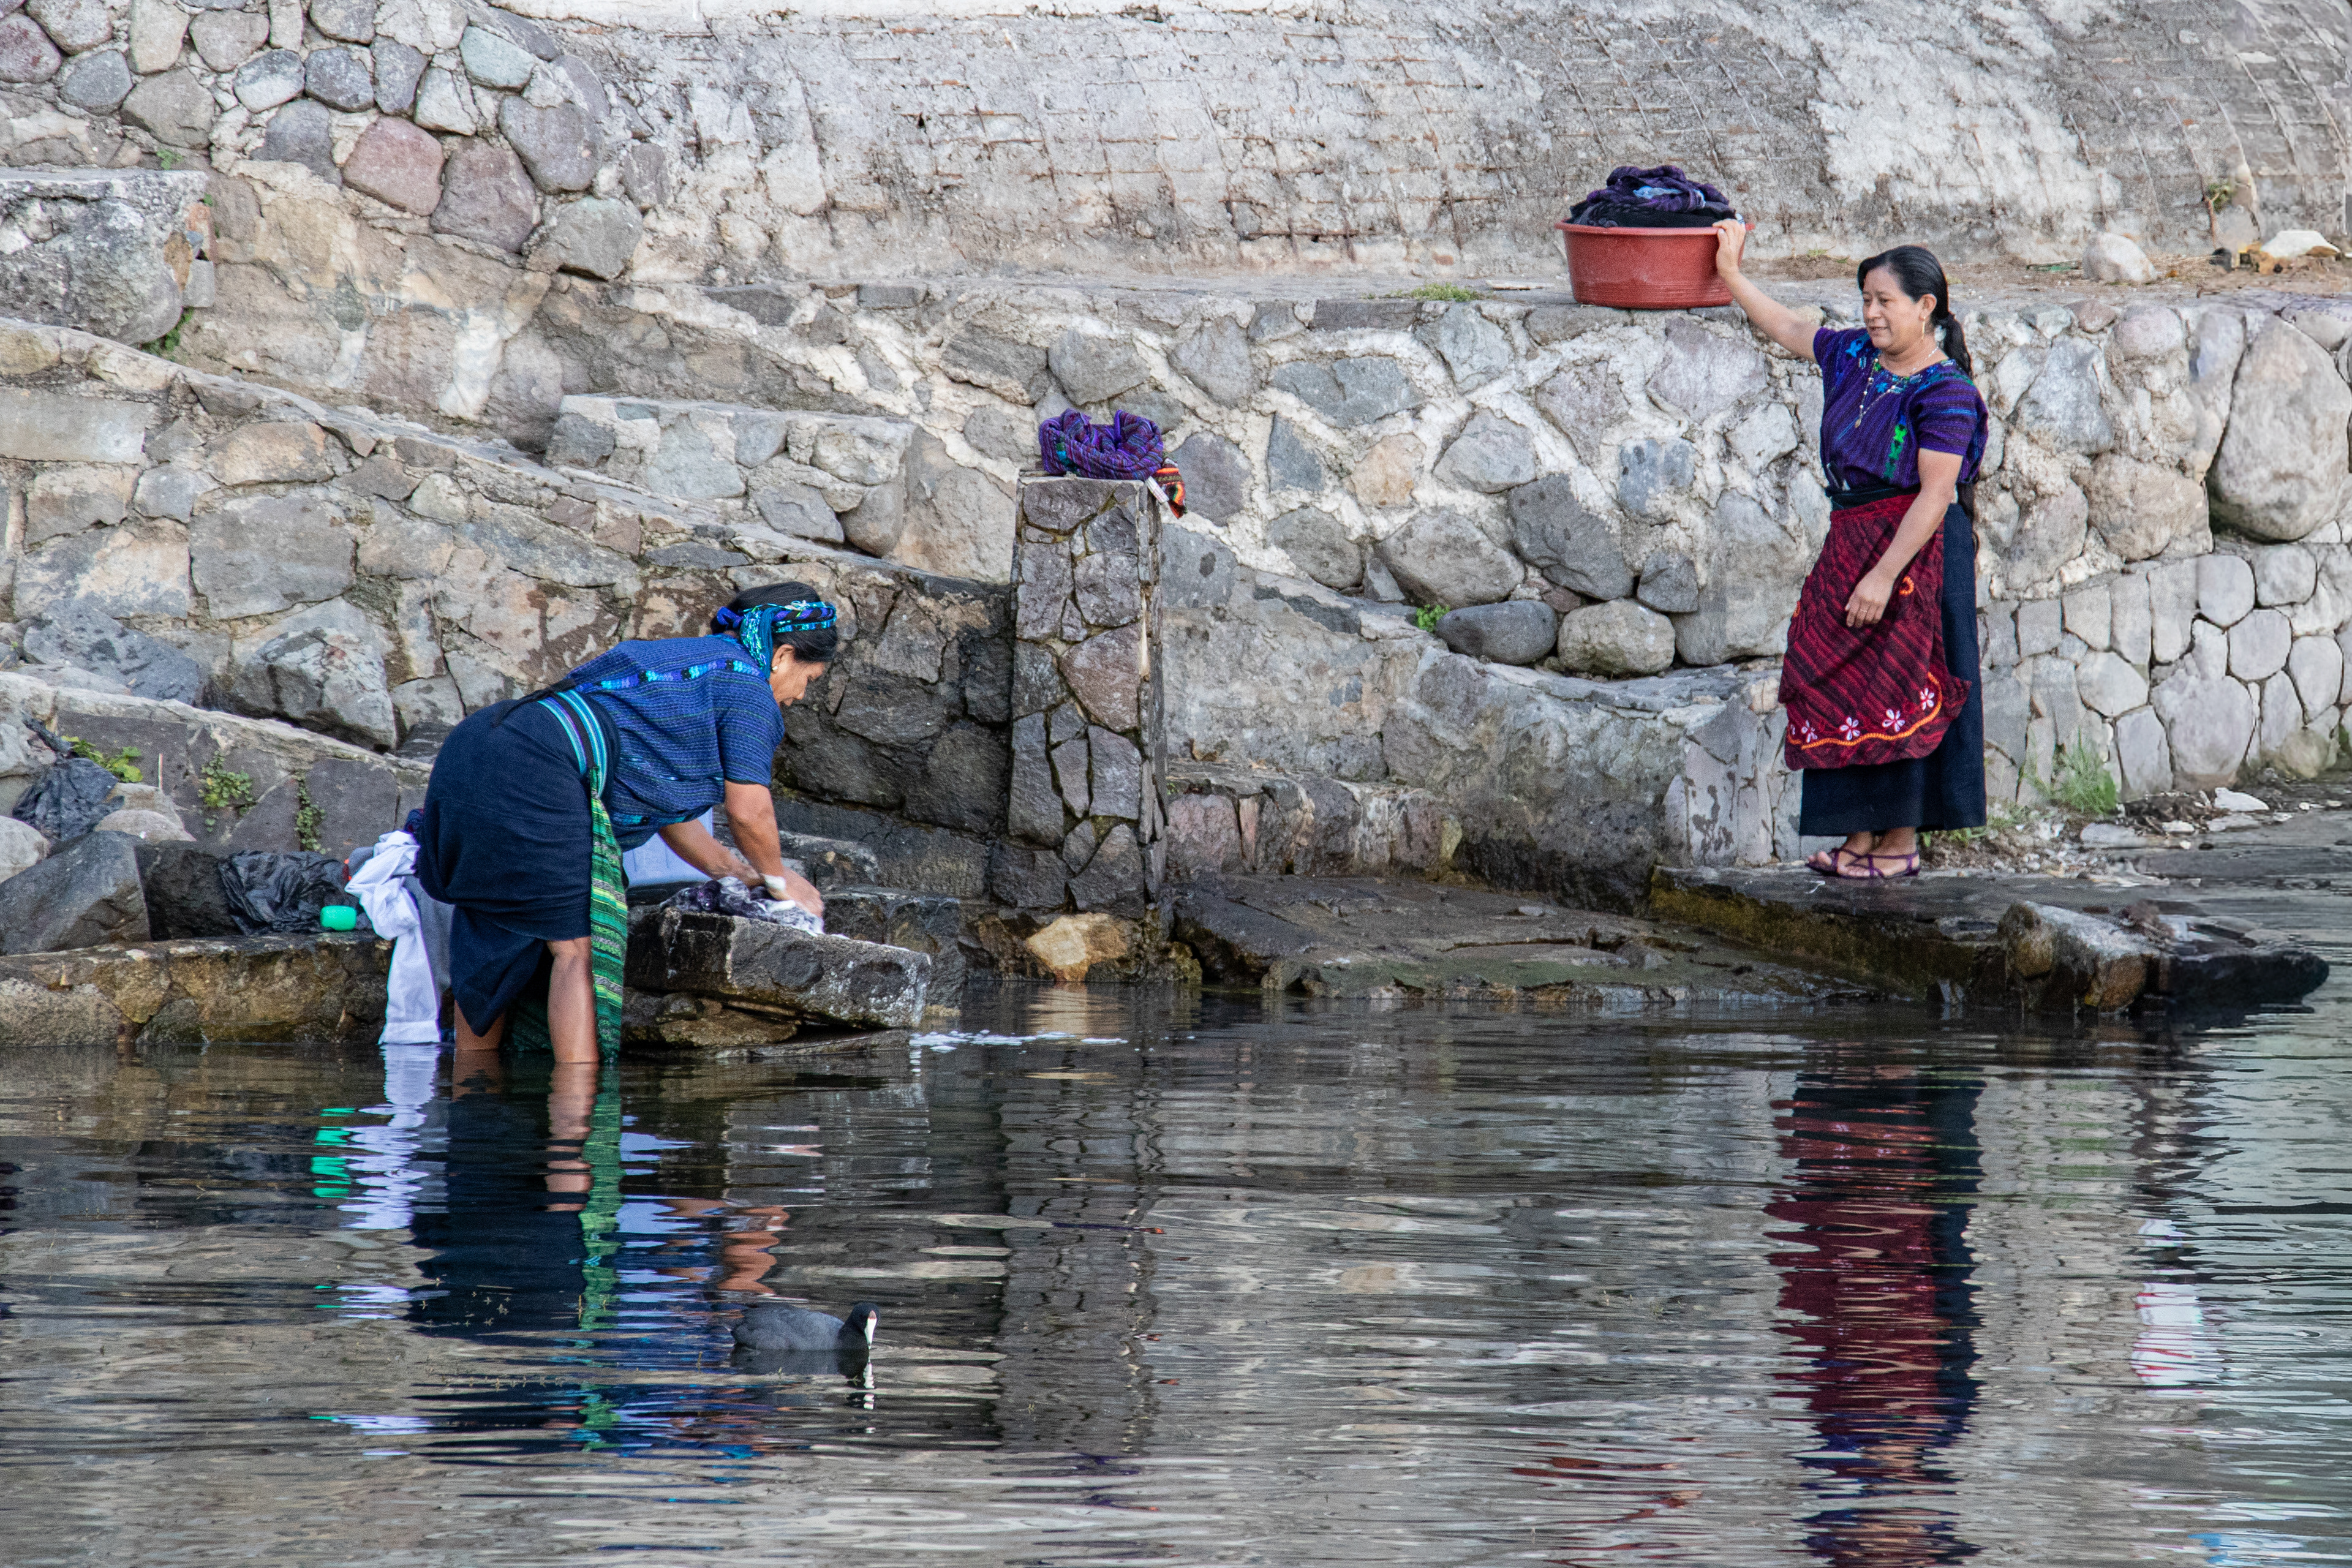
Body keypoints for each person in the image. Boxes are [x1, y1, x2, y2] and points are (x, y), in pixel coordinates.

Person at [415, 582, 841, 1061]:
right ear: (783, 655)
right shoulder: (748, 688)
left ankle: (473, 1099)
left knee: (493, 936)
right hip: (539, 769)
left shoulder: (686, 662)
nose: (801, 695)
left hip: (476, 749)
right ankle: (579, 1116)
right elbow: (750, 812)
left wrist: (738, 872)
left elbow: (662, 807)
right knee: (579, 951)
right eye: (811, 678)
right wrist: (780, 882)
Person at [1711, 225, 1989, 879]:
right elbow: (1785, 326)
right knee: (1839, 678)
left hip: (1913, 552)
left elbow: (1936, 492)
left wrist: (1883, 577)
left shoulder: (1944, 391)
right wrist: (1730, 272)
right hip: (1852, 540)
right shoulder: (1854, 358)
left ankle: (1899, 846)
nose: (1870, 312)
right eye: (1866, 298)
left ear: (1927, 307)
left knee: (1904, 687)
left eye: (1884, 300)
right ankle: (1859, 838)